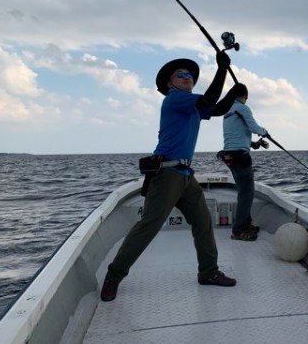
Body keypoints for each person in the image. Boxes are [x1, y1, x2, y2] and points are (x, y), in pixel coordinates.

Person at [100, 51, 246, 302]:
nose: (187, 77)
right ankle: (114, 275)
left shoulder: (192, 106)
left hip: (186, 175)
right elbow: (209, 98)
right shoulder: (175, 99)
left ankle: (208, 272)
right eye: (181, 75)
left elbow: (216, 107)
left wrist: (233, 93)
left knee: (203, 221)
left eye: (190, 75)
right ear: (170, 84)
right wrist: (222, 69)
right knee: (149, 226)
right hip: (166, 174)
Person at [219, 83, 269, 241]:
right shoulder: (243, 108)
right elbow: (254, 127)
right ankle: (238, 230)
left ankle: (246, 224)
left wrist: (254, 144)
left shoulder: (228, 110)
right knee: (247, 194)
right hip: (240, 157)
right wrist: (265, 132)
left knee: (243, 192)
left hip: (229, 156)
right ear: (245, 96)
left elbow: (238, 135)